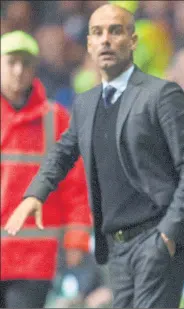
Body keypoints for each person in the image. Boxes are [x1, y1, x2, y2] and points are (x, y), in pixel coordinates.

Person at [5, 4, 184, 309]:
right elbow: (62, 154)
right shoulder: (86, 103)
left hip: (158, 236)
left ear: (133, 41)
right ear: (88, 44)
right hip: (116, 247)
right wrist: (35, 195)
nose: (106, 40)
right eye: (97, 33)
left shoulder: (161, 95)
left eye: (116, 31)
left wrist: (168, 233)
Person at [0, 31, 92, 308]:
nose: (18, 71)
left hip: (34, 259)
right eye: (11, 62)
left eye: (26, 64)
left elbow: (75, 183)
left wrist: (77, 237)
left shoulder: (55, 118)